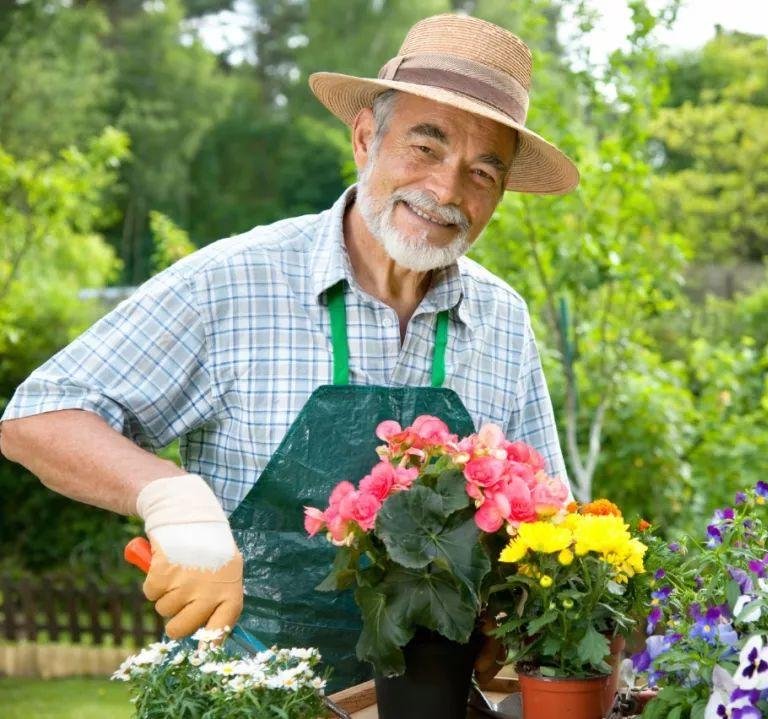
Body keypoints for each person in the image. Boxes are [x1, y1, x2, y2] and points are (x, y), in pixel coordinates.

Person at [0, 13, 577, 690]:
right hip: (242, 695)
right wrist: (171, 497)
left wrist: (518, 609)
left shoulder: (502, 319)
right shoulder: (233, 281)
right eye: (425, 147)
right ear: (364, 138)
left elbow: (551, 515)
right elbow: (38, 415)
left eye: (482, 172)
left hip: (428, 699)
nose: (446, 191)